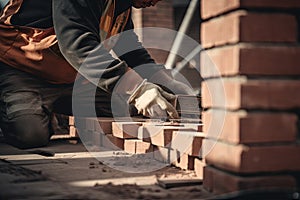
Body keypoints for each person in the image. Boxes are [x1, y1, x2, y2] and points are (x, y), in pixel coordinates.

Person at [0, 0, 193, 149]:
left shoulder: (119, 7)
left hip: (73, 79)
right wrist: (137, 89)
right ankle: (25, 107)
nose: (157, 2)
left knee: (137, 109)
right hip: (23, 71)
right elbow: (76, 45)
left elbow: (129, 49)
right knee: (30, 135)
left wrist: (166, 82)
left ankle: (50, 107)